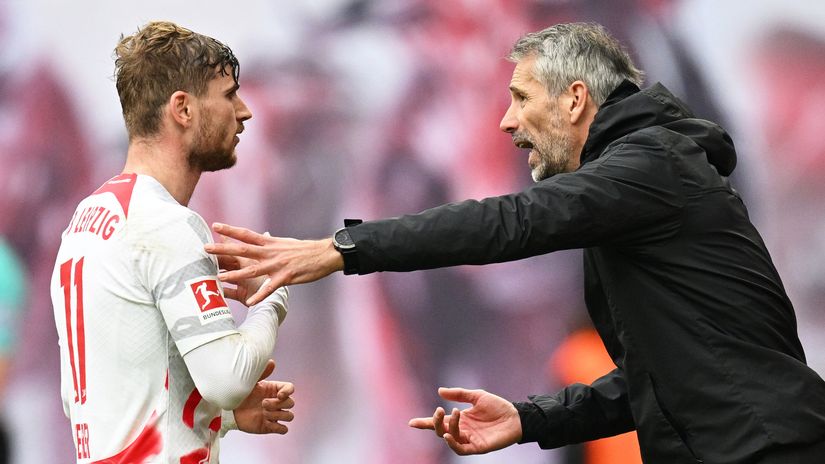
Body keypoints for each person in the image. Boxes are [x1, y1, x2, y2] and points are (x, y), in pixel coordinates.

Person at [204, 22, 825, 462]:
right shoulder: (639, 187)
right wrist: (529, 419)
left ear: (575, 100)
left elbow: (510, 222)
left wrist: (339, 250)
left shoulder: (651, 163)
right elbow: (652, 382)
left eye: (522, 99)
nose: (507, 121)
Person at [49, 21, 295, 463]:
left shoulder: (87, 218)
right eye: (228, 95)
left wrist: (223, 418)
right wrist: (272, 293)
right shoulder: (165, 223)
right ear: (182, 109)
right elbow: (227, 378)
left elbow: (99, 395)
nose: (244, 112)